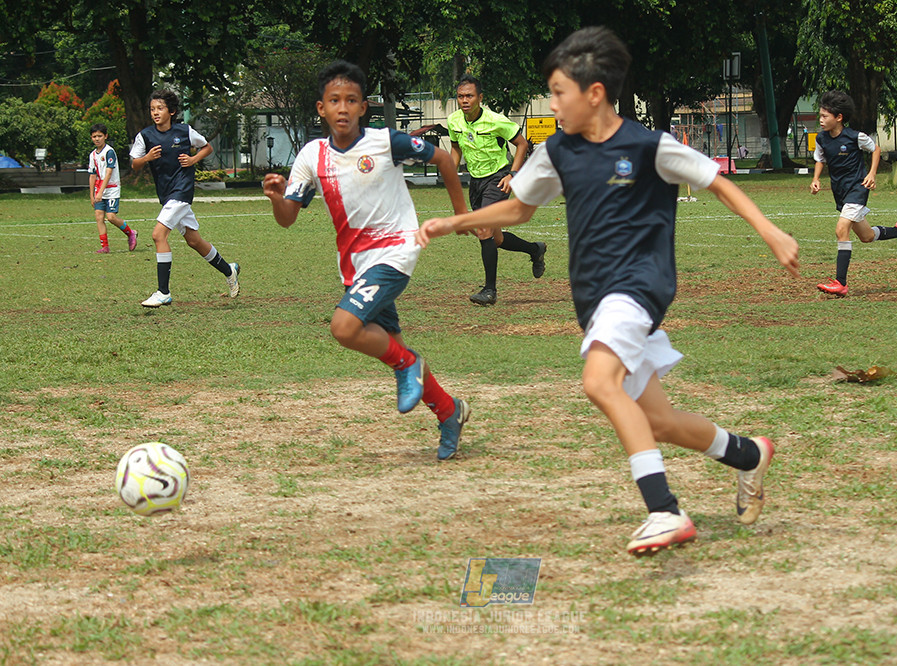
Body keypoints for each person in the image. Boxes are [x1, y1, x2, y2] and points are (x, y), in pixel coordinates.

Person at [418, 27, 801, 556]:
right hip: (596, 299)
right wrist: (454, 222)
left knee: (599, 381)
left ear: (594, 93)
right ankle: (748, 455)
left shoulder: (648, 146)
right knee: (658, 421)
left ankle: (664, 510)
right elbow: (520, 209)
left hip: (639, 286)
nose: (553, 104)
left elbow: (717, 183)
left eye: (559, 92)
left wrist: (770, 230)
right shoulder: (559, 151)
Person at [262, 61, 471, 461]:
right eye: (334, 100)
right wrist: (276, 197)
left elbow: (445, 160)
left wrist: (461, 217)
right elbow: (288, 218)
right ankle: (449, 412)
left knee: (344, 327)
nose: (342, 108)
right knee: (391, 346)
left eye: (351, 100)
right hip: (356, 265)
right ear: (321, 108)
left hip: (396, 250)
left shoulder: (385, 142)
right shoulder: (311, 156)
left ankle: (409, 365)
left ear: (363, 107)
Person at [129, 90, 240, 308]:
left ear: (171, 111)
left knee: (158, 235)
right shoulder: (145, 136)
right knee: (194, 241)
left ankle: (163, 292)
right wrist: (147, 158)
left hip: (182, 191)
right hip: (166, 194)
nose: (155, 113)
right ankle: (229, 270)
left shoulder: (184, 131)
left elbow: (206, 147)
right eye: (152, 109)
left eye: (160, 108)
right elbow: (134, 164)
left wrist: (193, 159)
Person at [447, 74, 547, 306]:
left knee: (483, 229)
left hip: (498, 178)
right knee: (497, 238)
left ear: (480, 98)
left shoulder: (496, 120)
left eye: (469, 96)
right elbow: (455, 148)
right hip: (476, 181)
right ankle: (535, 250)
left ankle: (489, 291)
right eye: (460, 96)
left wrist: (513, 174)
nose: (465, 100)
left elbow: (522, 144)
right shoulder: (454, 121)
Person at [810, 90, 897, 297]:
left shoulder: (854, 136)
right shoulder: (821, 139)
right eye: (820, 116)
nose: (820, 120)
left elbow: (875, 149)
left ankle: (841, 283)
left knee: (841, 229)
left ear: (839, 117)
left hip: (857, 189)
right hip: (840, 191)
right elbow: (820, 159)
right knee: (867, 236)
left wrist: (872, 174)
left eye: (824, 116)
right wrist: (816, 179)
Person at [88, 123, 137, 253]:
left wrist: (101, 192)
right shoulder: (92, 155)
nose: (97, 139)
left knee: (111, 217)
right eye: (94, 136)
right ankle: (105, 246)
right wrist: (92, 195)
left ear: (105, 136)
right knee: (99, 217)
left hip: (111, 189)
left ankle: (130, 233)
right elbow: (92, 175)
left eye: (99, 136)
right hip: (99, 190)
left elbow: (109, 173)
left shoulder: (109, 152)